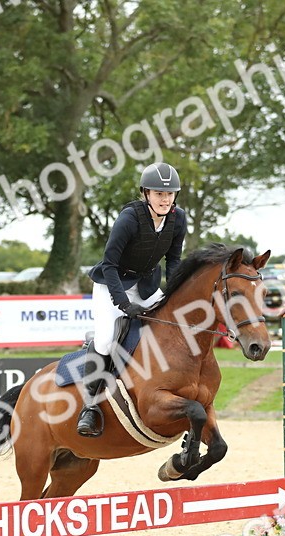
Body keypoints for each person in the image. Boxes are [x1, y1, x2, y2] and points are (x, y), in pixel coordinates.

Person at [76, 162, 187, 437]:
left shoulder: (179, 218)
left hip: (147, 285)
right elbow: (110, 264)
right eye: (159, 193)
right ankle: (89, 407)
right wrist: (123, 304)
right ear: (146, 193)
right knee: (104, 339)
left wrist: (175, 294)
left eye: (170, 193)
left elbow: (173, 260)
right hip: (111, 284)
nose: (165, 199)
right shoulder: (129, 218)